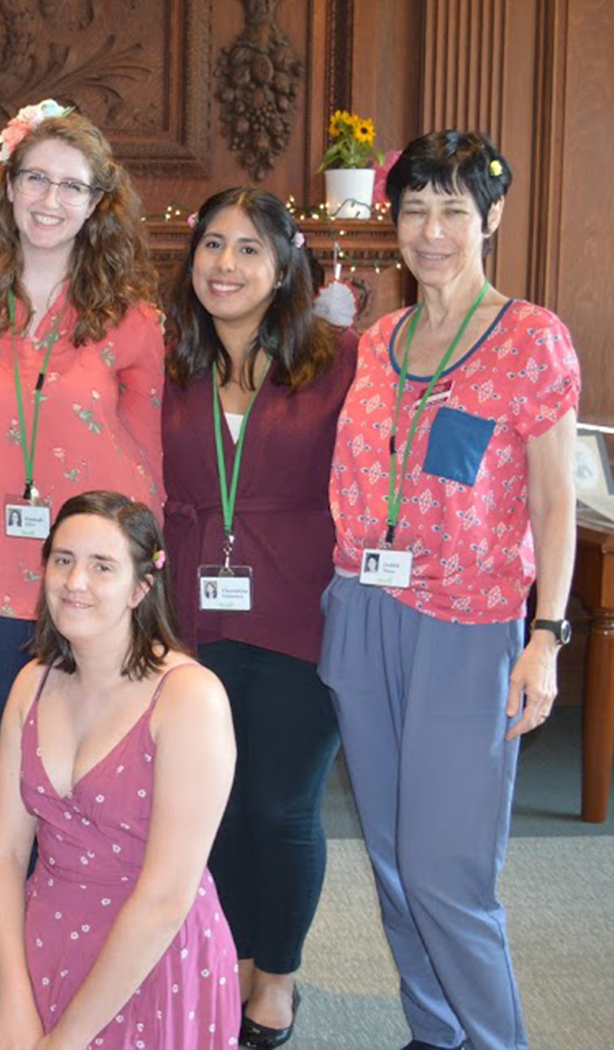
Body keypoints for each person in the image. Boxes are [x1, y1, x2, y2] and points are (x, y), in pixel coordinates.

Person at [319, 131, 579, 1050]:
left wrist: (546, 637)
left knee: (446, 872)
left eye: (455, 212)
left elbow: (554, 501)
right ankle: (434, 1033)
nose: (432, 232)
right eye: (416, 210)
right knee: (391, 861)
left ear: (492, 219)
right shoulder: (382, 339)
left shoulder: (531, 338)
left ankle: (493, 1038)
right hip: (363, 611)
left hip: (468, 628)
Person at [162, 187, 358, 1047]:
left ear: (284, 267)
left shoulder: (342, 361)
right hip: (192, 619)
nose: (226, 265)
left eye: (248, 249)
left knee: (280, 807)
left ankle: (275, 979)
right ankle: (229, 957)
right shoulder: (172, 362)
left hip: (300, 614)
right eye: (212, 245)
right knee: (213, 804)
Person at [0, 491, 238, 1047]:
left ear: (142, 587)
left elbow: (166, 896)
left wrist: (64, 1039)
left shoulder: (189, 698)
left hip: (150, 954)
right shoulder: (34, 682)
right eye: (63, 560)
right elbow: (3, 855)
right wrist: (15, 1001)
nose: (75, 583)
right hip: (43, 934)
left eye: (102, 567)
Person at [0, 101, 165, 745]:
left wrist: (146, 568)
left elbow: (149, 456)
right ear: (9, 186)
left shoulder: (132, 316)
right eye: (36, 178)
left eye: (72, 185)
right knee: (12, 751)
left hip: (90, 574)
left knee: (90, 757)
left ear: (96, 203)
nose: (50, 199)